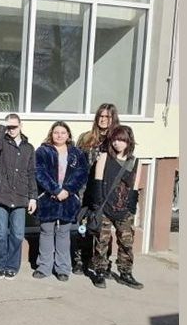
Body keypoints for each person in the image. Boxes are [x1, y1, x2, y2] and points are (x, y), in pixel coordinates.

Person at [86, 124, 143, 290]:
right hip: (105, 207)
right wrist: (98, 206)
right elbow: (97, 182)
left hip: (124, 210)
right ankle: (100, 272)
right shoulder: (105, 157)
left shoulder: (135, 162)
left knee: (126, 242)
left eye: (121, 140)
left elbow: (134, 188)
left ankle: (126, 273)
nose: (117, 143)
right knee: (101, 242)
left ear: (129, 141)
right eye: (114, 140)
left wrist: (130, 209)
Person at [33, 121, 88, 282]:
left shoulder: (76, 153)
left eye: (63, 133)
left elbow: (82, 173)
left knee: (64, 234)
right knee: (46, 232)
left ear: (68, 135)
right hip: (47, 198)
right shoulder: (42, 151)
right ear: (51, 134)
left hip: (68, 200)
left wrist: (67, 190)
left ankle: (63, 268)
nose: (59, 135)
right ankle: (44, 267)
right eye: (56, 132)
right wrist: (55, 190)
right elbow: (39, 172)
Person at [0, 114, 38, 279]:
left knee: (17, 234)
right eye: (8, 127)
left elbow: (31, 173)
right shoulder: (1, 143)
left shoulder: (28, 148)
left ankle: (11, 266)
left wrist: (33, 197)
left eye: (14, 126)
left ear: (21, 126)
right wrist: (1, 126)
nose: (11, 130)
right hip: (1, 194)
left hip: (20, 195)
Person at [74, 103, 121, 273]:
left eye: (107, 116)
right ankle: (80, 260)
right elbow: (76, 162)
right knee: (84, 225)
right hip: (85, 189)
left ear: (113, 118)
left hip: (106, 190)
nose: (103, 119)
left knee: (103, 228)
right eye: (100, 116)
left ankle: (102, 263)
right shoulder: (86, 138)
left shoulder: (117, 139)